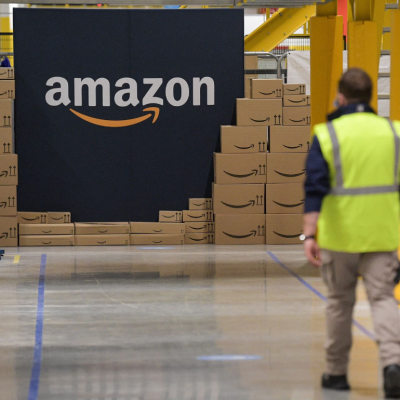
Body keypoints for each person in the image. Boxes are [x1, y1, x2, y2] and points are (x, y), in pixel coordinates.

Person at [303, 68, 400, 399]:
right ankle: (393, 365)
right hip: (381, 234)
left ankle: (336, 373)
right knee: (384, 298)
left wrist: (309, 235)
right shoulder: (394, 132)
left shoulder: (328, 134)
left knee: (339, 302)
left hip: (340, 237)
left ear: (340, 96)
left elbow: (314, 186)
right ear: (371, 96)